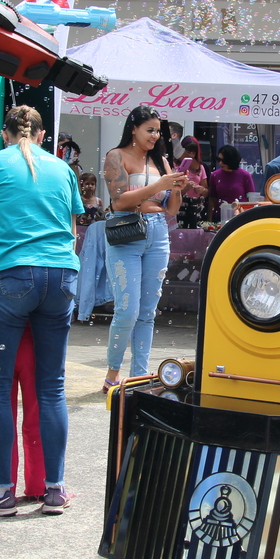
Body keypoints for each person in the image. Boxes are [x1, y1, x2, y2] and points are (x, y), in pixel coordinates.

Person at [0, 106, 83, 516]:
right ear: (42, 136)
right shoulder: (62, 169)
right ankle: (55, 491)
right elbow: (73, 232)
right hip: (61, 277)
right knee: (52, 387)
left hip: (11, 277)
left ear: (5, 134)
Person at [101, 106, 186, 392]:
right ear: (133, 128)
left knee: (147, 311)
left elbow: (171, 210)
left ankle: (138, 374)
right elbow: (119, 202)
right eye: (149, 129)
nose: (155, 135)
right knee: (127, 309)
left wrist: (175, 188)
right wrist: (158, 185)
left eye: (158, 131)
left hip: (159, 232)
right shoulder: (116, 156)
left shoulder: (161, 160)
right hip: (127, 233)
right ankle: (112, 373)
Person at [176, 135, 210, 226]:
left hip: (196, 209)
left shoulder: (200, 167)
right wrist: (183, 189)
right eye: (187, 152)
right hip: (179, 207)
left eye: (193, 153)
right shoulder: (174, 165)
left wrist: (202, 190)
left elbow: (206, 191)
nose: (190, 156)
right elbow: (169, 189)